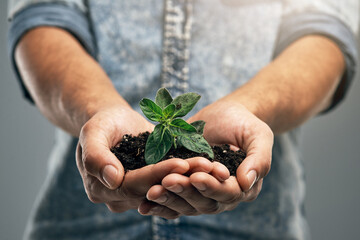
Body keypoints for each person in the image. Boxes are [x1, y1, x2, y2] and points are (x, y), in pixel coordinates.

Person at [7, 0, 358, 239]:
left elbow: (326, 33)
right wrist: (98, 110)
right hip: (84, 226)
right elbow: (43, 17)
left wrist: (249, 110)